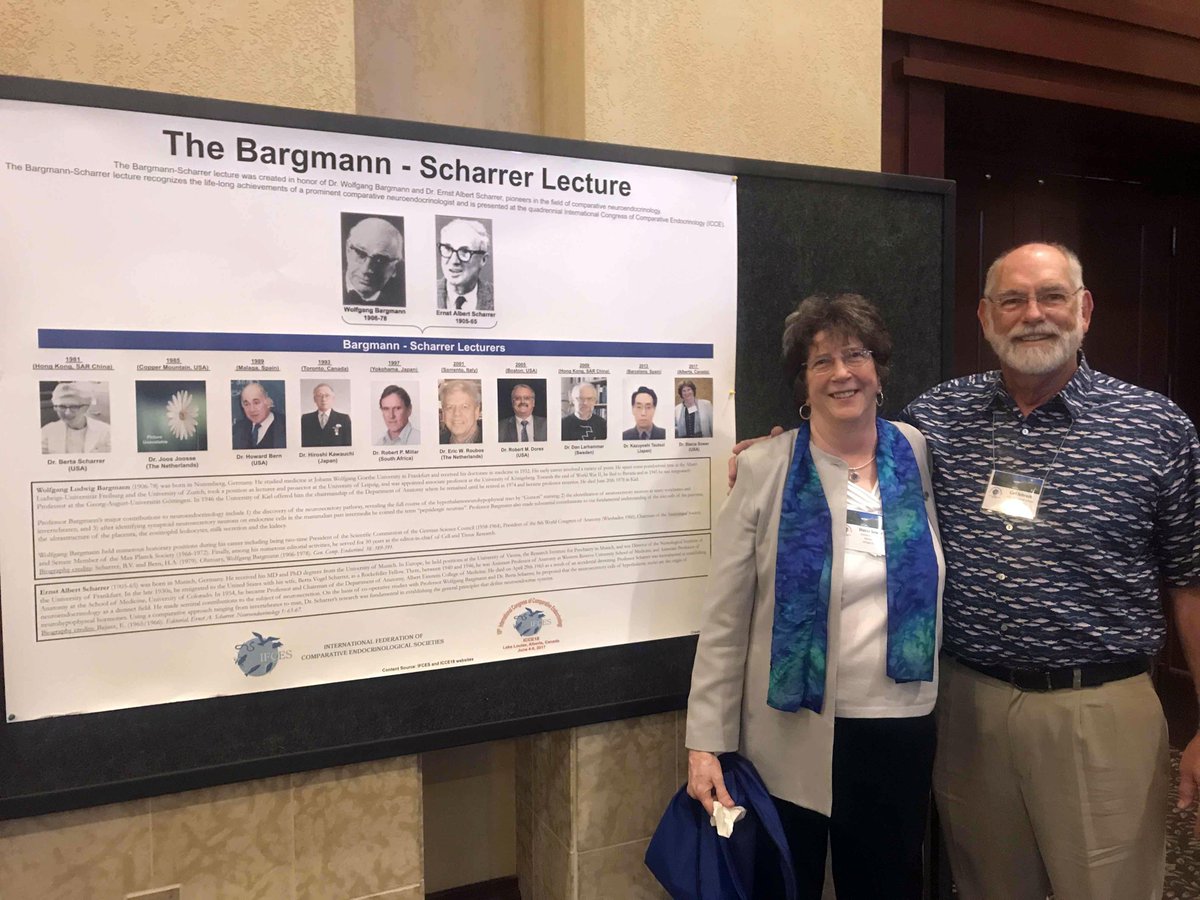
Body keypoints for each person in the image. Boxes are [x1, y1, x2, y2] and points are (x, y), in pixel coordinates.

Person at [730, 243, 1200, 899]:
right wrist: (778, 453)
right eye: (1012, 300)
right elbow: (852, 442)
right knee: (984, 886)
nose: (1032, 314)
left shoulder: (1154, 427)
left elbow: (1190, 580)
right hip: (967, 706)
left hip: (1097, 708)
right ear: (985, 316)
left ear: (1084, 310)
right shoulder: (938, 419)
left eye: (1052, 296)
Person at [687, 293, 944, 900]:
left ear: (879, 369)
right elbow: (725, 620)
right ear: (803, 382)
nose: (842, 373)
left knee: (887, 885)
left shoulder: (913, 450)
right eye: (821, 361)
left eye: (856, 355)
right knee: (785, 883)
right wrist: (705, 743)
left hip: (901, 724)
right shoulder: (765, 468)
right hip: (789, 731)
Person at [343, 216, 405, 307]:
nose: (365, 270)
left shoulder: (399, 302)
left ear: (395, 267)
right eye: (361, 254)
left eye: (380, 260)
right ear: (347, 250)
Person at [436, 218, 493, 311]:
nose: (454, 261)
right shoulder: (426, 292)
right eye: (448, 249)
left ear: (483, 260)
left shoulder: (497, 297)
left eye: (465, 251)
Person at [41, 382, 111, 453]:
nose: (67, 413)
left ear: (86, 407)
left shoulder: (105, 432)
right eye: (62, 407)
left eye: (74, 407)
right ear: (55, 408)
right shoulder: (46, 431)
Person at [232, 381, 285, 449]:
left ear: (268, 402)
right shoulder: (237, 429)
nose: (252, 409)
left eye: (256, 403)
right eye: (246, 404)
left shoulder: (286, 425)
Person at [439, 379, 482, 444]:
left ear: (476, 412)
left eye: (464, 407)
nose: (457, 413)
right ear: (443, 413)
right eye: (450, 407)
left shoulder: (492, 439)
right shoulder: (436, 443)